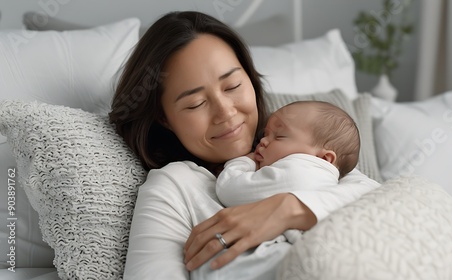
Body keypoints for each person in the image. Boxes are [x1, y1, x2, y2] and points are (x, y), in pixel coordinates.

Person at [109, 11, 380, 280]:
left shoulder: (302, 150)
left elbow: (388, 205)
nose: (225, 113)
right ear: (164, 119)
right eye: (196, 104)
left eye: (232, 86)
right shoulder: (173, 187)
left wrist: (288, 209)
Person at [216, 100, 360, 244]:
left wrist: (243, 162)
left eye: (279, 136)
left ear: (324, 158)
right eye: (264, 134)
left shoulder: (299, 171)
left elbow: (229, 189)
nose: (263, 141)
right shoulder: (342, 184)